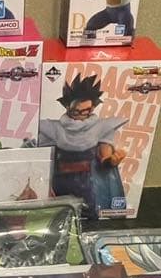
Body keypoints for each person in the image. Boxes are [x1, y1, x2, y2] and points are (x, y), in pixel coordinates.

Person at [38, 73, 127, 215]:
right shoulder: (54, 129)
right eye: (76, 111)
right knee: (57, 215)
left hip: (87, 183)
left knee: (88, 213)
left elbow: (104, 159)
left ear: (92, 108)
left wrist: (112, 161)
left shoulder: (100, 128)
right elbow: (41, 159)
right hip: (59, 182)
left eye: (85, 111)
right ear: (67, 106)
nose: (80, 115)